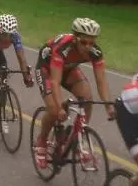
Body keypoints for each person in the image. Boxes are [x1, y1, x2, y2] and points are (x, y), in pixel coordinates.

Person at [32, 18, 115, 169]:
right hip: (47, 70)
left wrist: (109, 107)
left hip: (69, 69)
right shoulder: (63, 48)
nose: (88, 47)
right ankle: (41, 141)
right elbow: (55, 82)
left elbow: (101, 81)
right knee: (54, 109)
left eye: (91, 42)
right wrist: (59, 107)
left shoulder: (95, 52)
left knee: (87, 99)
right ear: (75, 38)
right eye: (84, 42)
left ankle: (79, 137)